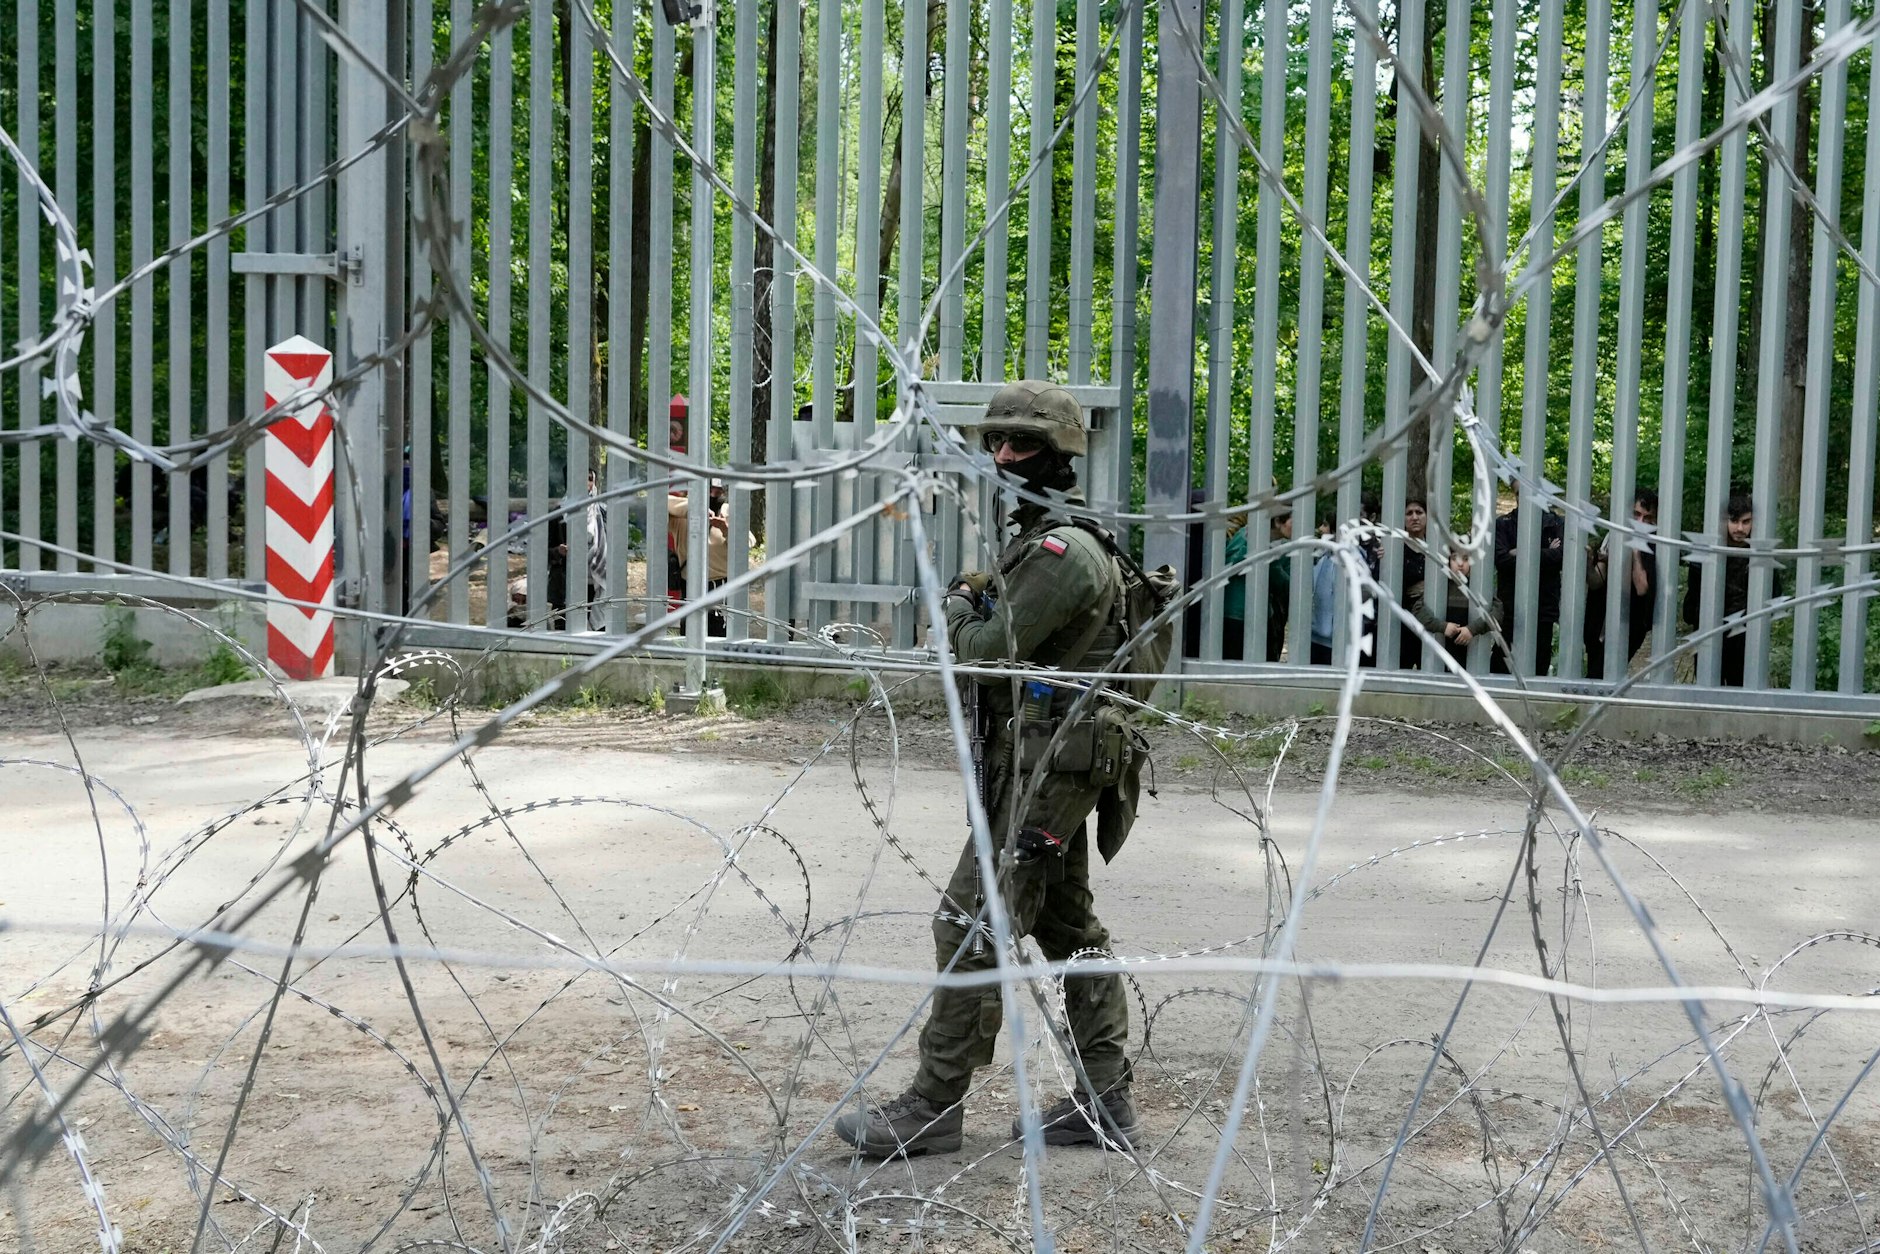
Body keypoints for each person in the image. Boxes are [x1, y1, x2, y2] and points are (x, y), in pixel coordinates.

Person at [833, 381, 1144, 1159]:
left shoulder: (1062, 550)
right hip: (1048, 762)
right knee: (1067, 926)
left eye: (1023, 445)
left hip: (1048, 769)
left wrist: (962, 609)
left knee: (972, 922)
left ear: (1059, 454)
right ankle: (1106, 1102)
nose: (1005, 456)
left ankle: (934, 1107)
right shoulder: (1045, 541)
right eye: (998, 443)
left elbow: (982, 652)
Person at [1682, 492, 1779, 687]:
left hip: (1745, 640)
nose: (1740, 528)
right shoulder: (1706, 556)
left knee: (1740, 698)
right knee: (1707, 695)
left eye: (1746, 522)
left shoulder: (1761, 557)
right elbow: (1692, 603)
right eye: (1734, 521)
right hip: (1709, 634)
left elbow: (1774, 597)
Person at [1584, 489, 1657, 680]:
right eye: (1636, 515)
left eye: (1647, 518)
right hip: (1599, 622)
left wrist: (1634, 551)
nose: (1640, 522)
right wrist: (1588, 563)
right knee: (1595, 676)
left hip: (1630, 626)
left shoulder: (1654, 545)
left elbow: (1642, 588)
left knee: (1601, 677)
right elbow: (1596, 582)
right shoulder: (1612, 536)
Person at [667, 479, 749, 637]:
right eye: (709, 491)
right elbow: (658, 501)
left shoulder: (730, 512)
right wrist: (694, 507)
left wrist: (725, 529)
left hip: (719, 586)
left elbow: (746, 545)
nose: (713, 496)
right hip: (690, 585)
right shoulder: (681, 516)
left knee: (719, 634)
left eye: (718, 492)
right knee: (690, 634)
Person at [1492, 503, 1565, 675]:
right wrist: (1545, 552)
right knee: (1501, 662)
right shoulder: (1504, 523)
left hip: (1544, 606)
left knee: (1539, 665)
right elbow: (1501, 560)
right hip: (1510, 606)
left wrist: (1518, 552)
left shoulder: (1555, 523)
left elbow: (1560, 557)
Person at [1221, 505, 1292, 662]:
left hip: (1258, 615)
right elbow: (1229, 565)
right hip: (1238, 616)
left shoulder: (1273, 543)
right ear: (1278, 521)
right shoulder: (1248, 536)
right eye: (1294, 520)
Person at [1409, 550, 1502, 669]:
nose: (1460, 564)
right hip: (1439, 654)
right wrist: (1442, 626)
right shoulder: (1439, 586)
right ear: (1448, 561)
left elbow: (1497, 614)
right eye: (1454, 559)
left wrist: (1472, 629)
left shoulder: (1480, 588)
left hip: (1472, 655)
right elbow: (1417, 611)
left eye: (1465, 559)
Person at [1398, 498, 1428, 669]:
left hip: (1432, 620)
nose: (1415, 517)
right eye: (1409, 513)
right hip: (1403, 621)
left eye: (1419, 512)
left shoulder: (1437, 546)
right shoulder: (1395, 547)